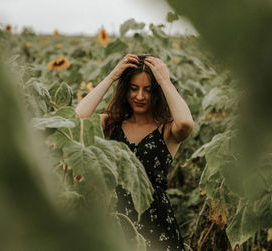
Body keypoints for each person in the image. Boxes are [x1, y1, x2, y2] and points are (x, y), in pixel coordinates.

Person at [75, 54, 194, 251]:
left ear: (157, 92)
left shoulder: (166, 130)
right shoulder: (111, 124)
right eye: (133, 88)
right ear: (125, 90)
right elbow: (77, 119)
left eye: (148, 90)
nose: (140, 96)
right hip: (116, 220)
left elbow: (186, 123)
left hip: (156, 225)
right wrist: (112, 76)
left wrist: (165, 80)